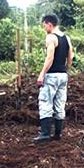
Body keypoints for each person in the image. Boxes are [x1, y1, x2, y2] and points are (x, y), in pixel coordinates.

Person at [33, 14, 74, 142]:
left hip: (51, 75)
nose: (44, 27)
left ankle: (45, 133)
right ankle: (57, 134)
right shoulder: (66, 38)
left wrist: (42, 74)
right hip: (63, 75)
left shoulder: (51, 37)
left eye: (44, 25)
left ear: (49, 24)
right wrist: (65, 68)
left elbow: (49, 58)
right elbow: (70, 57)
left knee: (45, 102)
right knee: (60, 103)